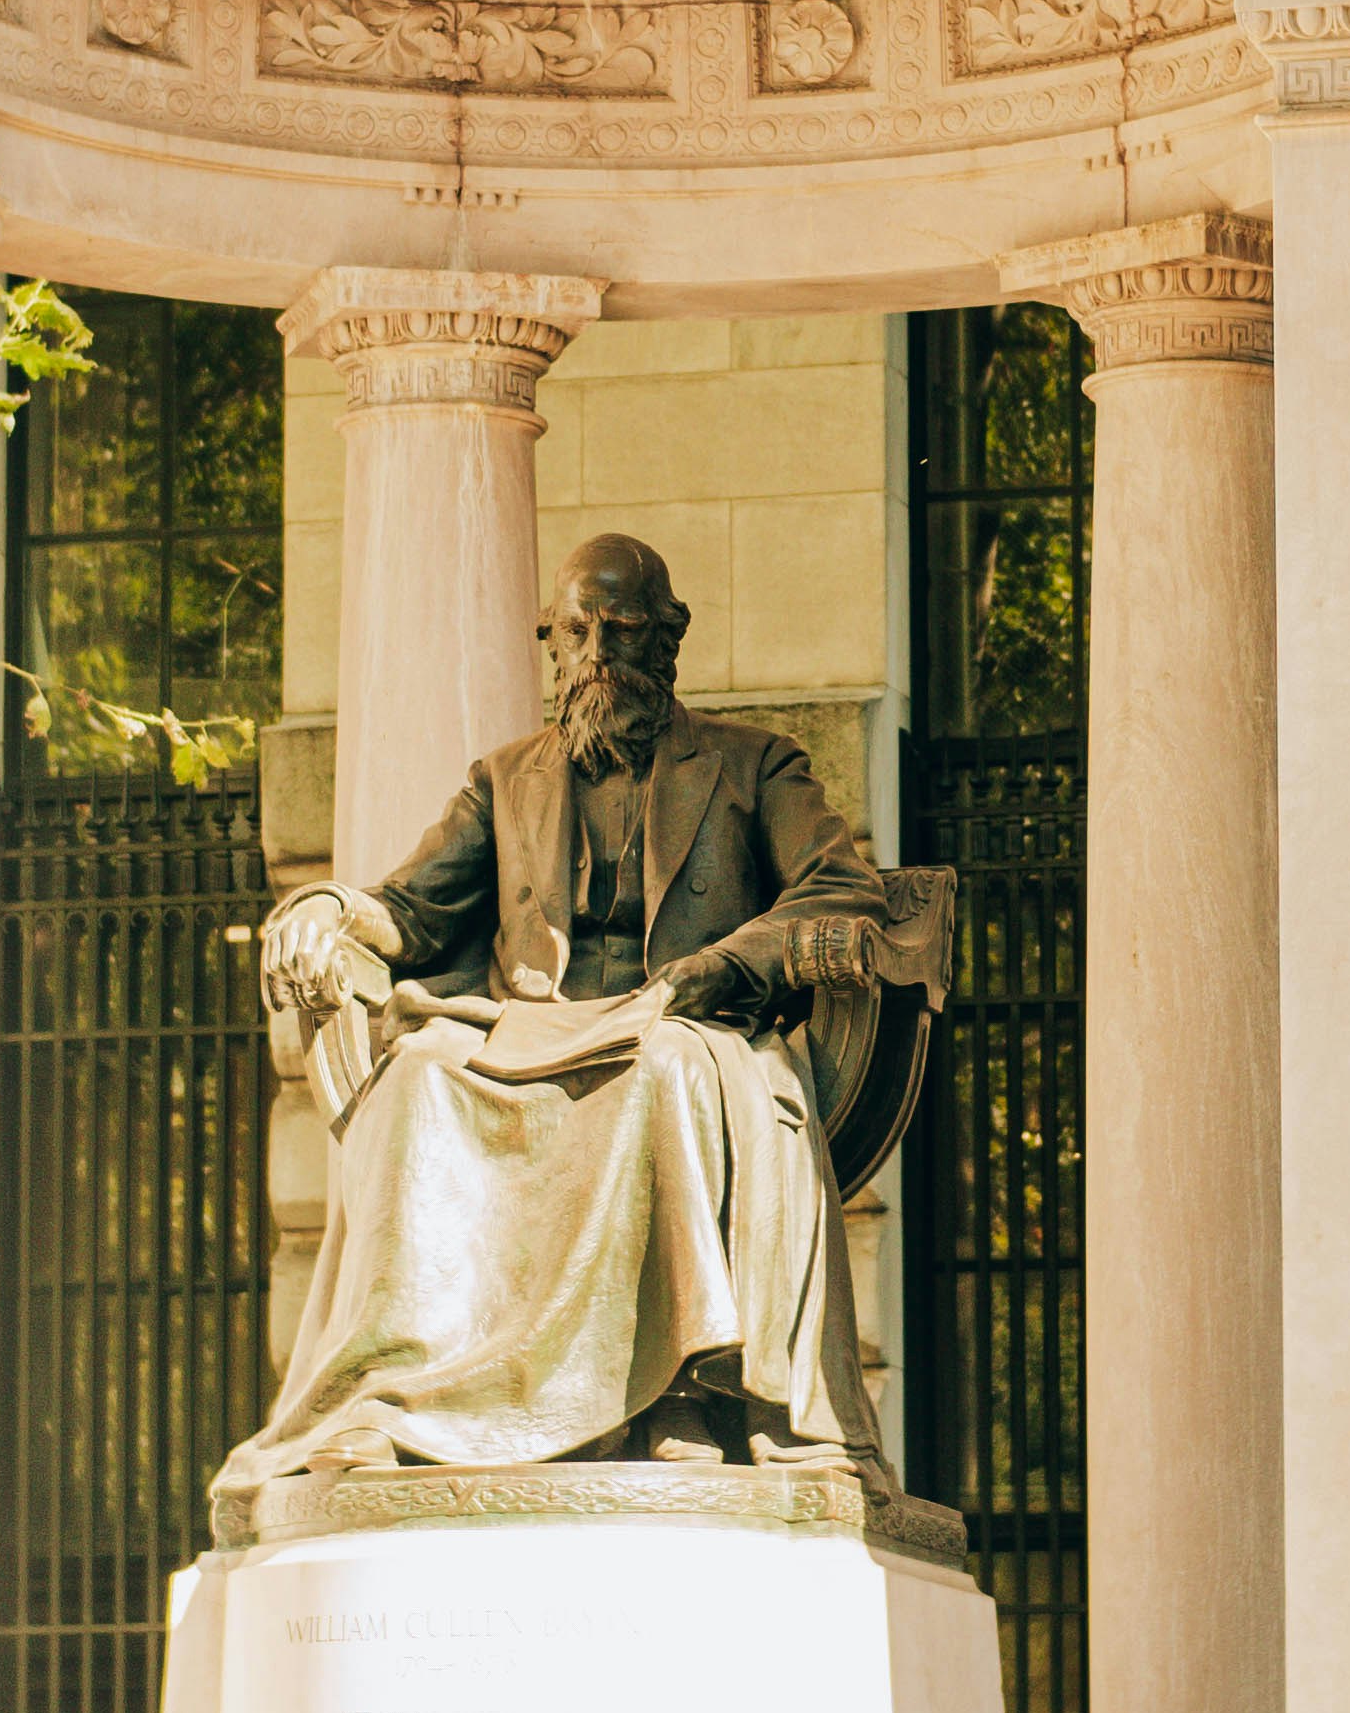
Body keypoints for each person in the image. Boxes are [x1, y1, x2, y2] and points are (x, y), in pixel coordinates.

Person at [223, 532, 896, 1488]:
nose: (598, 658)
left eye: (621, 633)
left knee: (664, 1072)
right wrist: (329, 907)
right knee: (416, 1077)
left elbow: (842, 893)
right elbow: (411, 908)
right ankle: (398, 1394)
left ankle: (682, 1392)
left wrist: (720, 968)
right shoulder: (504, 778)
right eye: (578, 634)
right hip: (533, 1030)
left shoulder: (756, 766)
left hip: (689, 1025)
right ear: (552, 642)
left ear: (668, 640)